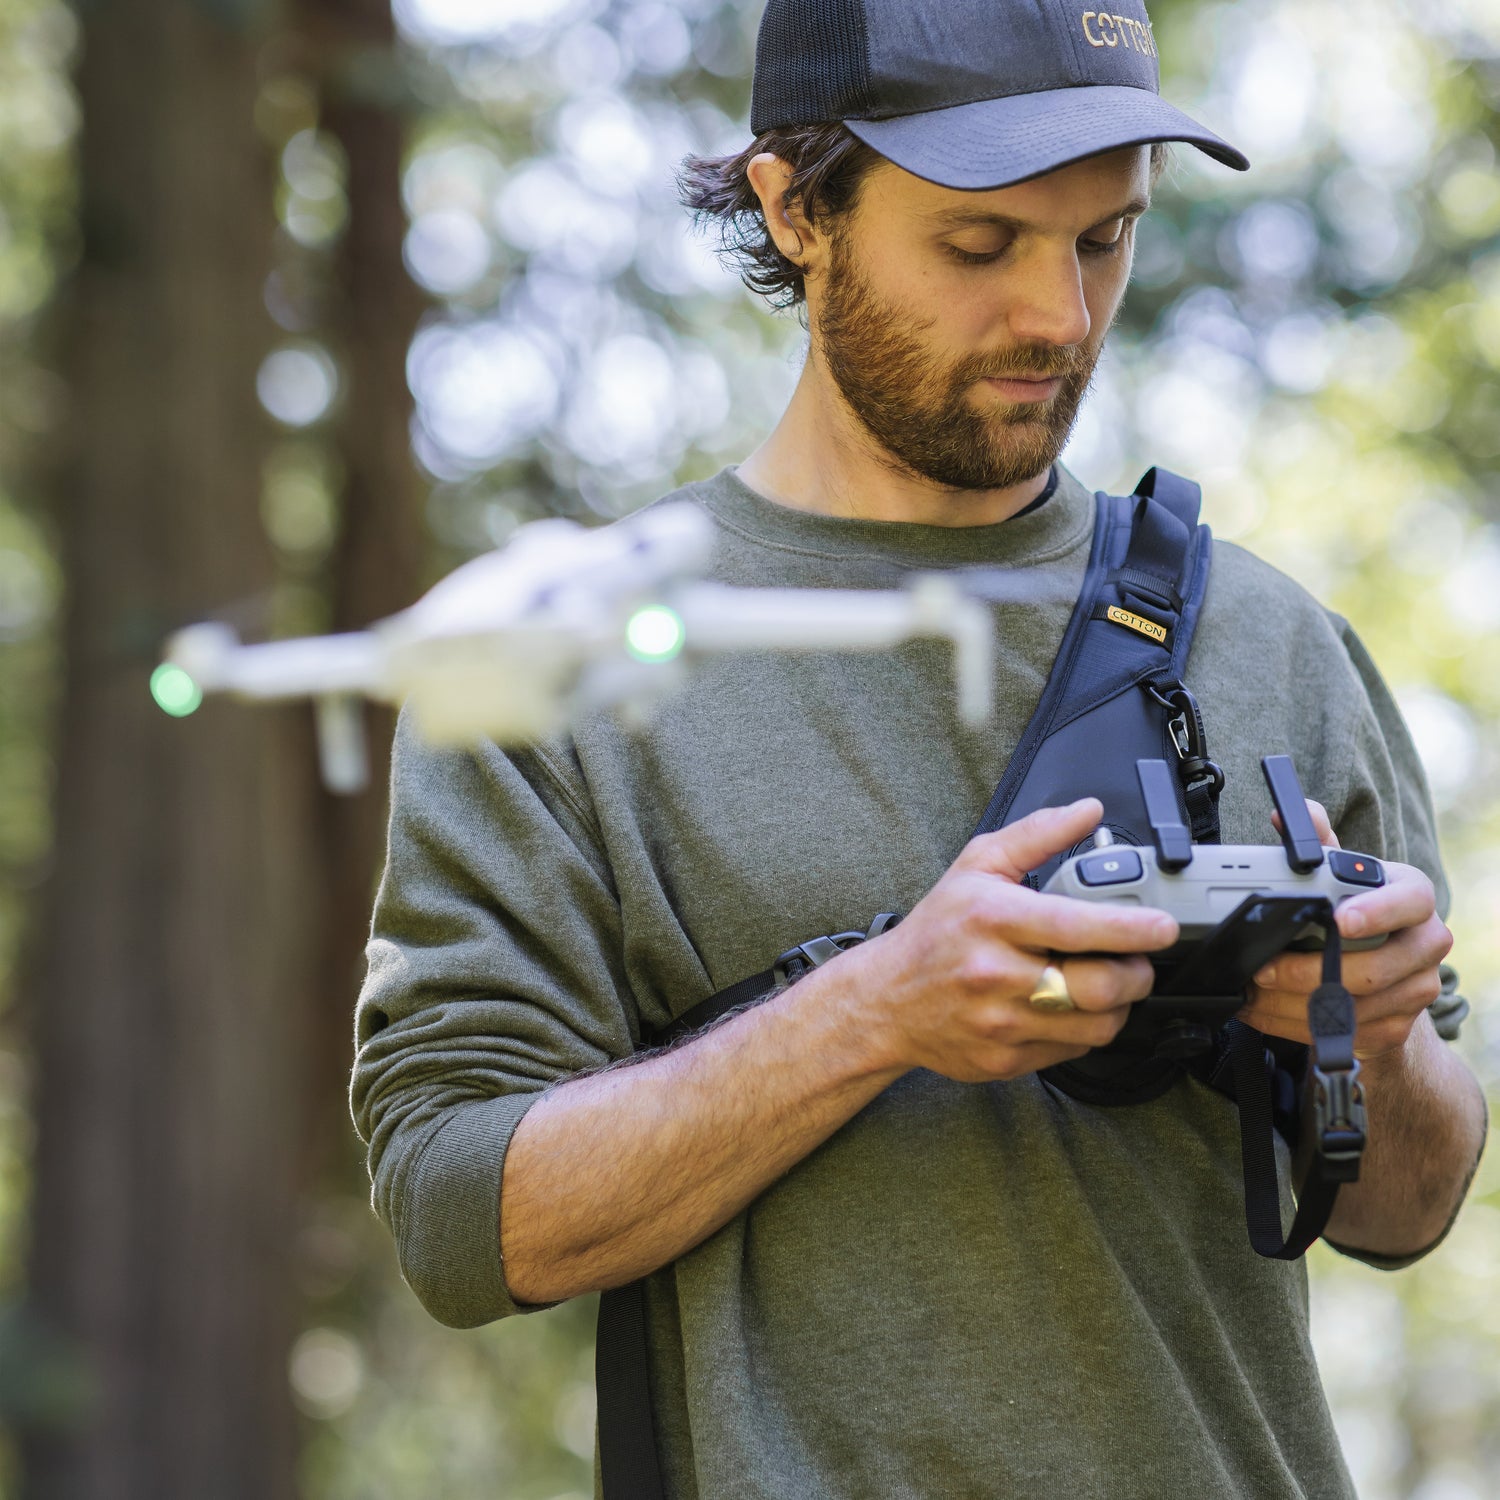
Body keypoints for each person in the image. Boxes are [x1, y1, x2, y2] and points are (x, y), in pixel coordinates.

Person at [351, 1, 1489, 1495]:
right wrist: (873, 1014)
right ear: (795, 204)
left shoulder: (1275, 644)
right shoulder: (549, 665)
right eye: (981, 244)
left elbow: (1406, 1206)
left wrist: (1377, 1034)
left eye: (1105, 241)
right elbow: (453, 1216)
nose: (1060, 318)